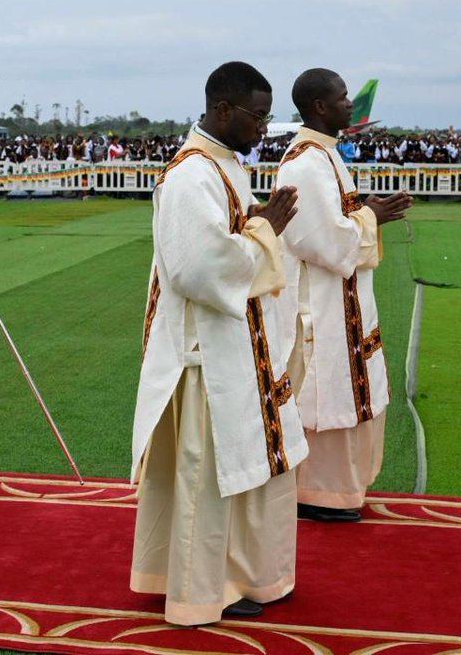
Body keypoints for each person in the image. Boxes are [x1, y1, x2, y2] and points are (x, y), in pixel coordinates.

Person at [130, 62, 308, 626]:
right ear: (223, 109)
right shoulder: (190, 175)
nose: (264, 127)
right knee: (208, 478)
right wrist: (265, 230)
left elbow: (227, 241)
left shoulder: (223, 165)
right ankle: (199, 592)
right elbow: (199, 268)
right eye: (258, 115)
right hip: (206, 357)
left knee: (246, 470)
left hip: (237, 343)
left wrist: (254, 225)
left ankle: (242, 573)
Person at [274, 68, 411, 522]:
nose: (349, 104)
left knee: (350, 388)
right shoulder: (305, 162)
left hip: (346, 297)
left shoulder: (327, 155)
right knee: (325, 393)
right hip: (323, 303)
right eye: (342, 96)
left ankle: (340, 490)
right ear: (319, 106)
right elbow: (321, 240)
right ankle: (318, 492)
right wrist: (372, 217)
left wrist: (367, 214)